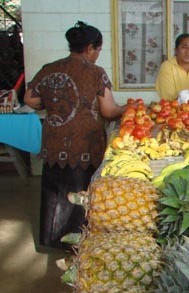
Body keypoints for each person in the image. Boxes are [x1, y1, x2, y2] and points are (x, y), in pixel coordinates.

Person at [24, 21, 125, 250]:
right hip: (84, 144)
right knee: (79, 194)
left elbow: (29, 99)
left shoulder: (49, 68)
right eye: (98, 49)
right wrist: (125, 109)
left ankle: (50, 239)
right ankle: (76, 243)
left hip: (53, 141)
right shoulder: (96, 73)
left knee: (54, 190)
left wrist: (52, 103)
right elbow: (108, 111)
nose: (98, 54)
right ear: (90, 48)